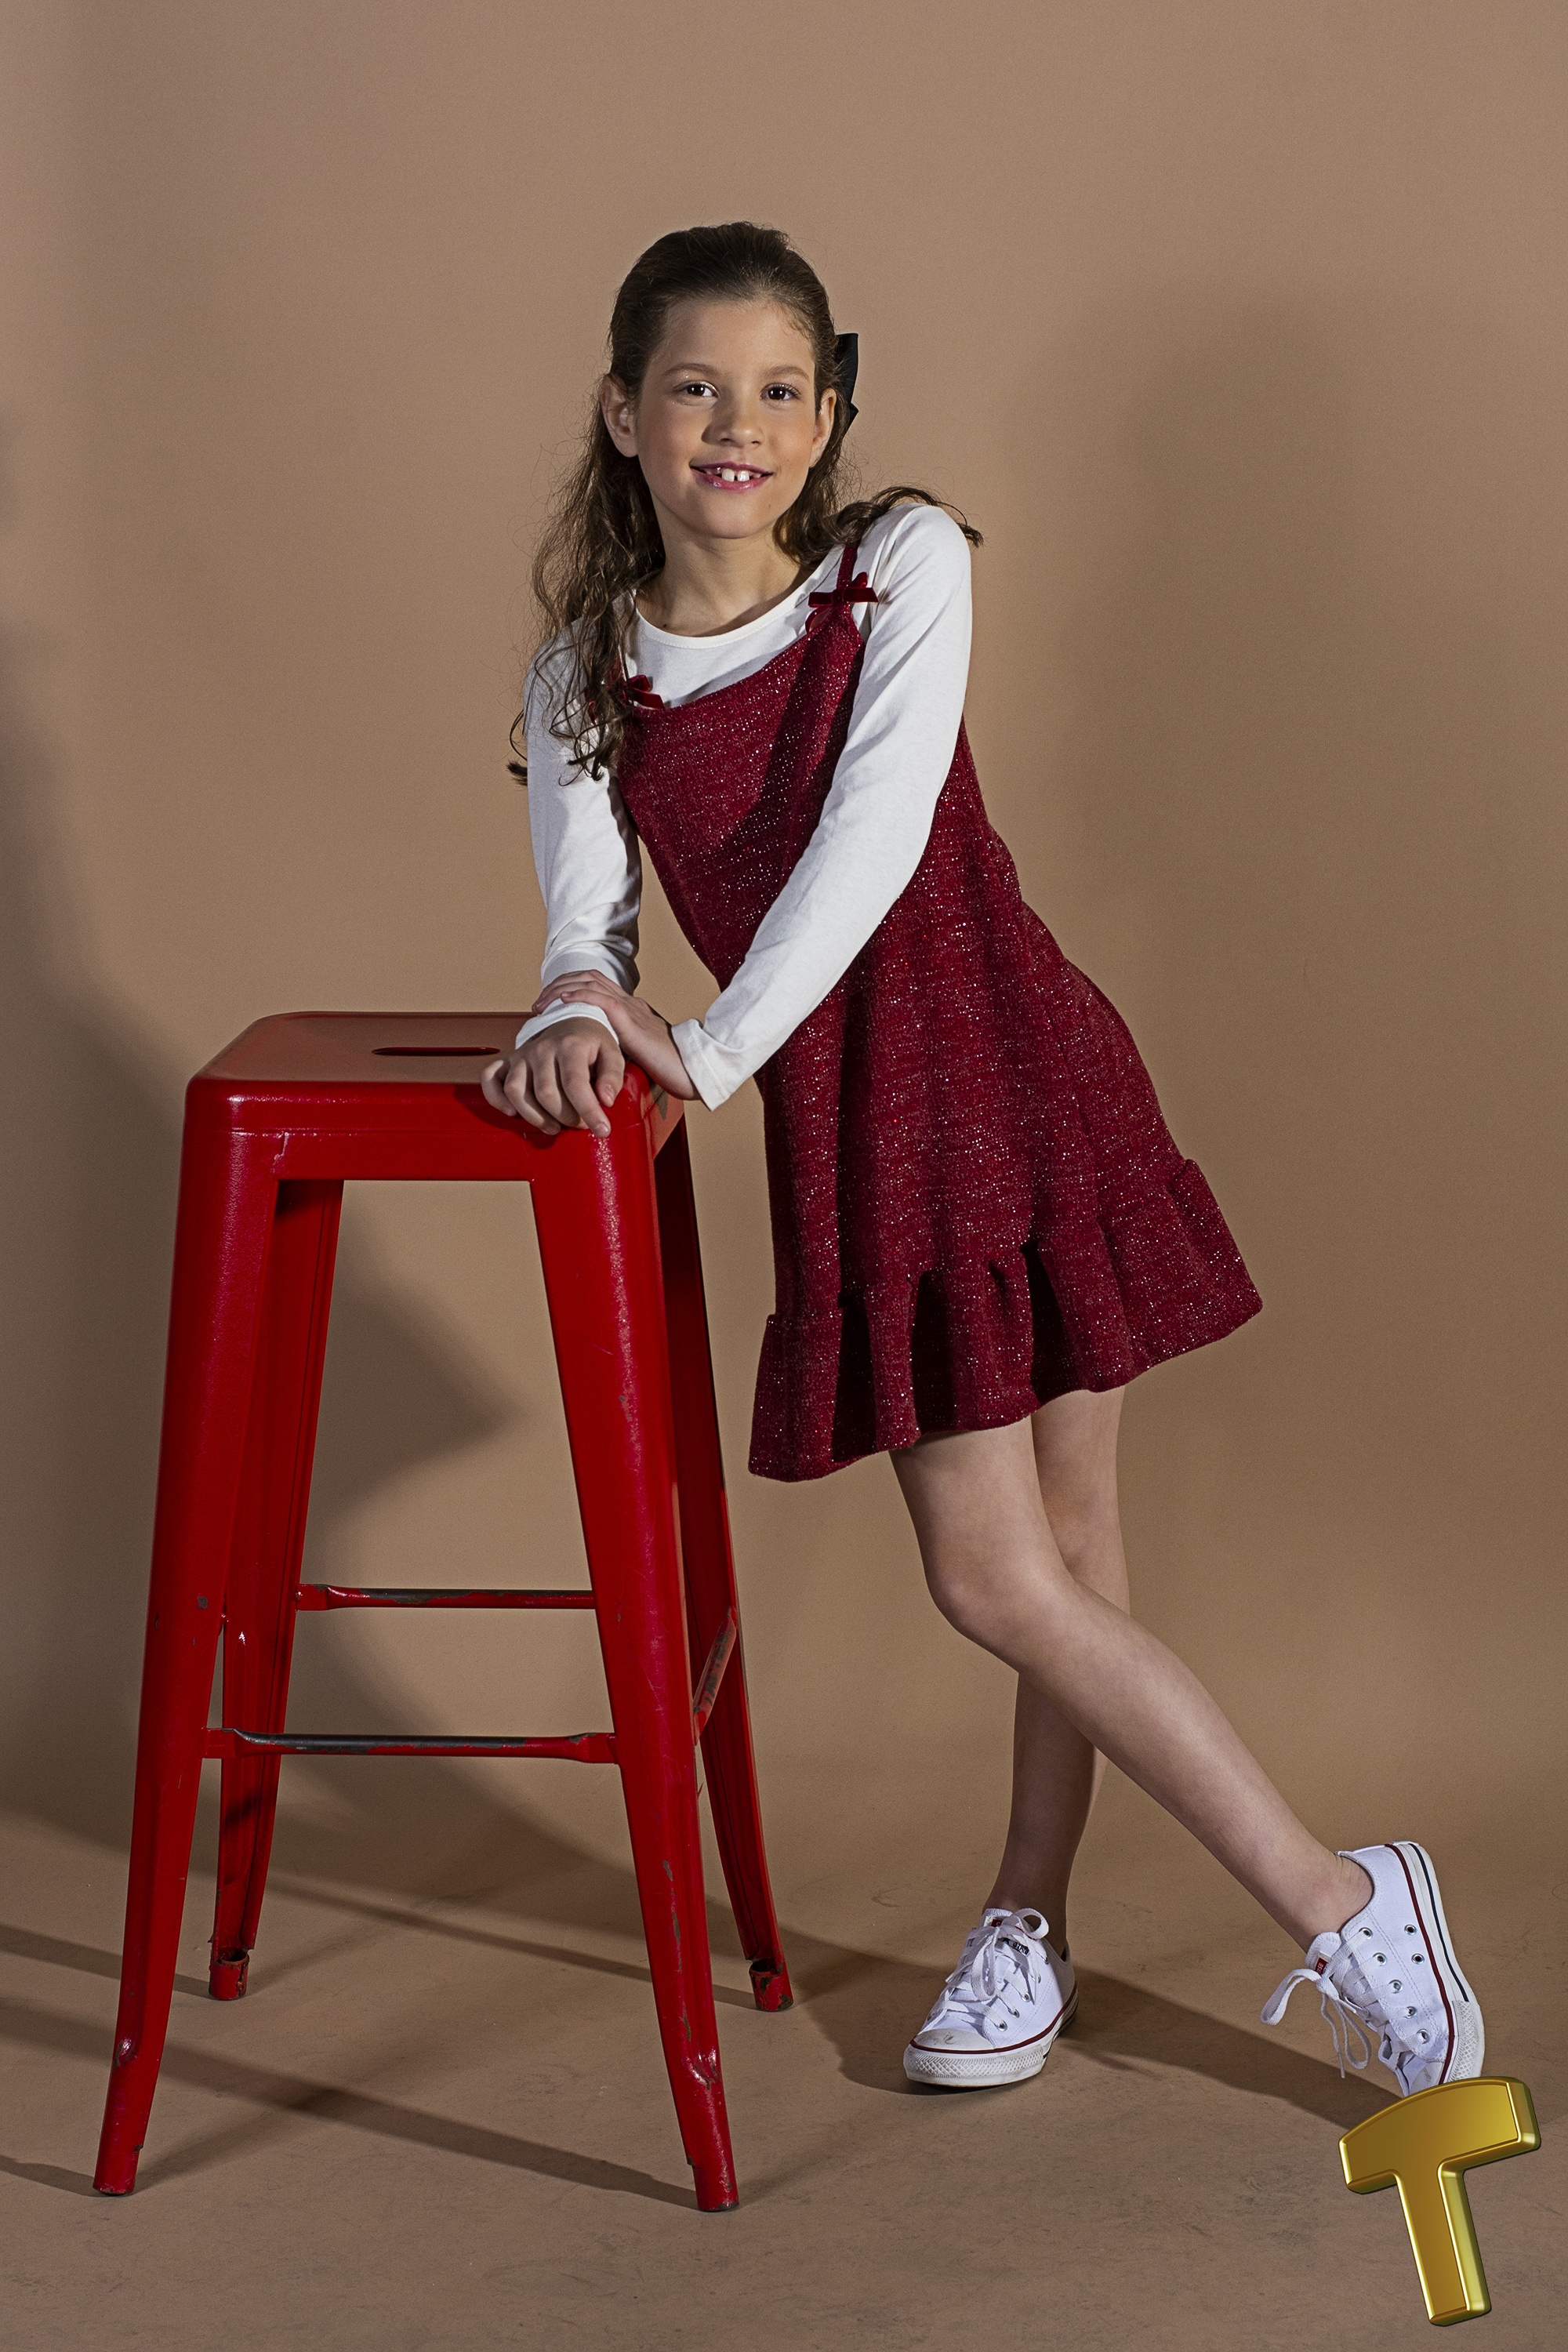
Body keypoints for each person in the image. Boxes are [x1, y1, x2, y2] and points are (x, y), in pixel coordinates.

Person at [482, 222, 1481, 2100]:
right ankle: (1050, 1922)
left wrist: (703, 1049)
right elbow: (585, 930)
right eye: (694, 387)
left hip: (1013, 1066)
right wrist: (567, 1010)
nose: (737, 425)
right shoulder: (581, 680)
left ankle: (1335, 1900)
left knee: (1023, 1574)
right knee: (1049, 1575)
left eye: (779, 390)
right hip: (862, 1135)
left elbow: (868, 847)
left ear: (825, 416)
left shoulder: (897, 567)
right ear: (622, 413)